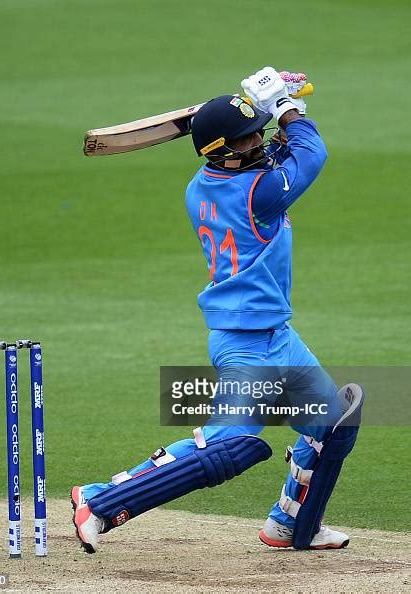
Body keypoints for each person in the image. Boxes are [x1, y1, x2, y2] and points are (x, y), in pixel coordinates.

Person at [71, 66, 364, 553]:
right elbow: (311, 154)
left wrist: (258, 109)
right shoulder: (260, 194)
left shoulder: (202, 186)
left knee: (331, 424)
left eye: (258, 136)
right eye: (249, 141)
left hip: (275, 335)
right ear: (225, 153)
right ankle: (100, 500)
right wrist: (288, 107)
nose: (260, 144)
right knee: (232, 444)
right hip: (246, 343)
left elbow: (265, 152)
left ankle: (292, 524)